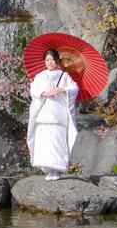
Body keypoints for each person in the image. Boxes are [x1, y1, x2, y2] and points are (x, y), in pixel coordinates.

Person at [26, 49, 79, 181]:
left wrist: (62, 89)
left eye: (52, 60)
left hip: (57, 114)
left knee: (57, 141)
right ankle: (48, 169)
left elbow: (74, 88)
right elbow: (34, 90)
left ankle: (57, 169)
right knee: (44, 142)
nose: (50, 62)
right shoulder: (40, 76)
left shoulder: (64, 76)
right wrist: (43, 93)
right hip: (43, 113)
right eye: (47, 60)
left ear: (57, 61)